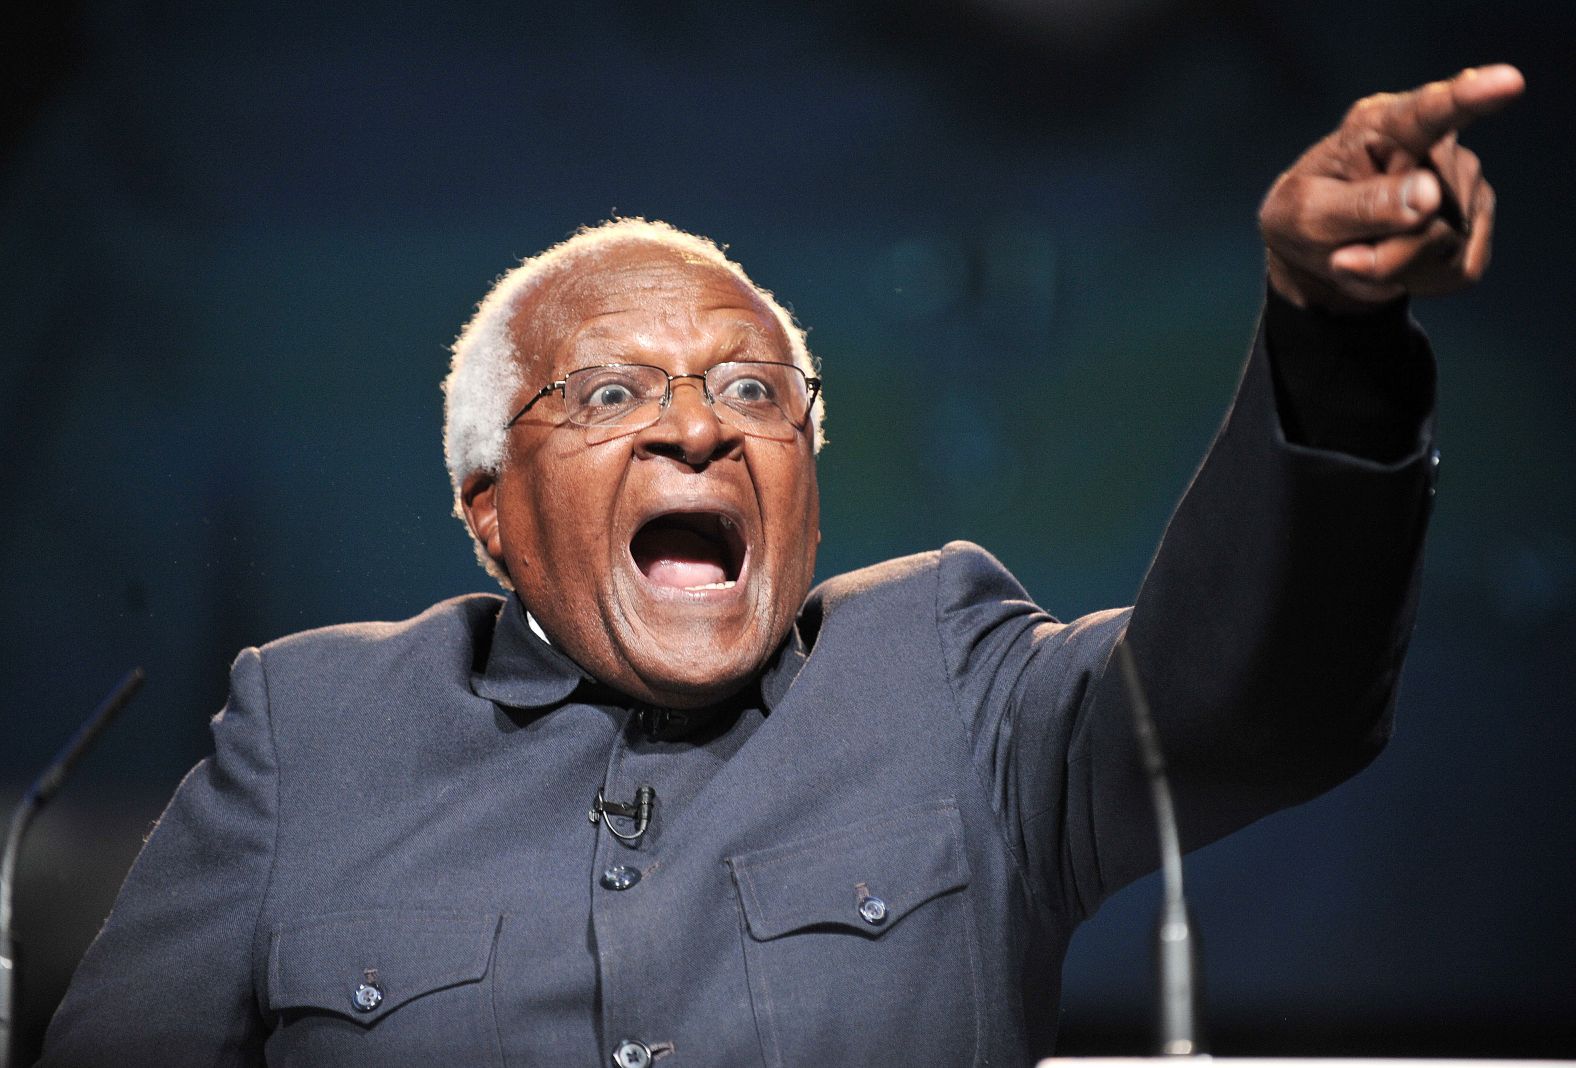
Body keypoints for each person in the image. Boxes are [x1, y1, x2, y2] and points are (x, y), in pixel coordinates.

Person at [41, 66, 1523, 1068]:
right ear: (489, 507)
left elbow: (1260, 695)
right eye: (614, 396)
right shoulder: (311, 733)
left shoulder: (954, 684)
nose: (697, 426)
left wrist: (1331, 336)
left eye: (754, 393)